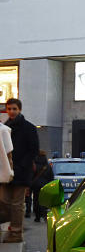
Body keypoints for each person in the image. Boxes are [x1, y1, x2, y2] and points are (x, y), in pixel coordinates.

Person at [0, 98, 39, 242]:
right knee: (4, 202)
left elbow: (33, 150)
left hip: (21, 172)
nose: (11, 111)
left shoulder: (28, 127)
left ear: (20, 109)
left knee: (16, 204)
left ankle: (16, 233)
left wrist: (21, 165)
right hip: (6, 171)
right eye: (9, 109)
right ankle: (12, 228)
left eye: (14, 109)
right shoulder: (4, 127)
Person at [30, 150, 53, 222]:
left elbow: (31, 176)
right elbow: (51, 177)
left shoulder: (34, 166)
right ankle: (45, 215)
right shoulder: (48, 167)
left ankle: (37, 217)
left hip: (36, 186)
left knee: (36, 200)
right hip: (45, 186)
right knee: (45, 201)